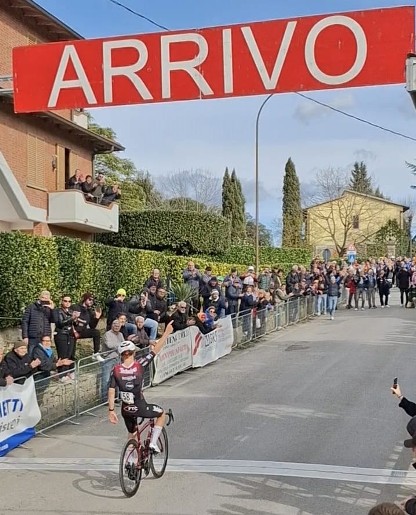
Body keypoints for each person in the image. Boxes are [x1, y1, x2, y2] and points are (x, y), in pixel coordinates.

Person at [107, 321, 174, 451]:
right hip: (140, 406)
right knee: (161, 413)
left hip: (126, 409)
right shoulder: (140, 365)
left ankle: (131, 459)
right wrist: (166, 333)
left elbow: (111, 391)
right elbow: (156, 349)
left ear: (121, 355)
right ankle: (153, 443)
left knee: (132, 433)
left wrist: (111, 410)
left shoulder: (115, 370)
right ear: (134, 353)